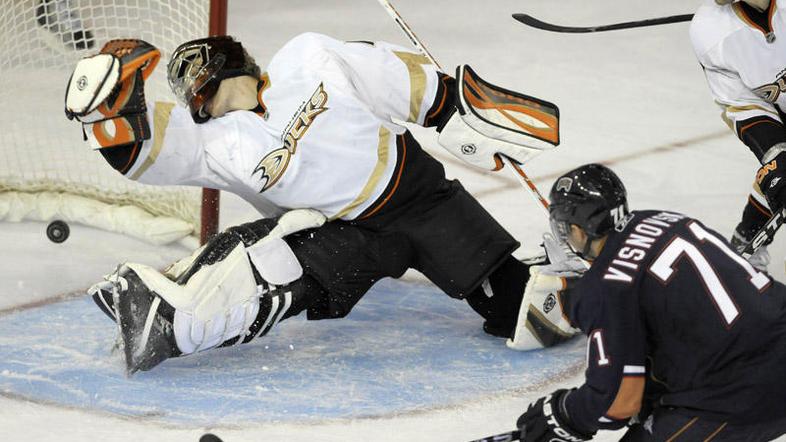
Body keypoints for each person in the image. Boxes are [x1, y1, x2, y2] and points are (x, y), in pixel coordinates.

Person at [63, 35, 566, 374]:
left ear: (219, 62)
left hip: (419, 197)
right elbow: (134, 146)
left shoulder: (305, 57)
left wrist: (453, 107)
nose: (189, 88)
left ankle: (581, 280)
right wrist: (104, 105)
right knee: (273, 253)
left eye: (192, 72)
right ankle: (174, 318)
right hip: (346, 231)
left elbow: (394, 76)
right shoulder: (212, 142)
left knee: (519, 311)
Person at [515, 163, 786, 441]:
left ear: (579, 231)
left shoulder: (604, 286)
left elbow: (617, 403)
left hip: (744, 395)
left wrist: (564, 413)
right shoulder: (668, 220)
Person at [690, 0, 786, 271]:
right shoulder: (710, 30)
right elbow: (744, 104)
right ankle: (747, 236)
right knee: (779, 171)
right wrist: (777, 156)